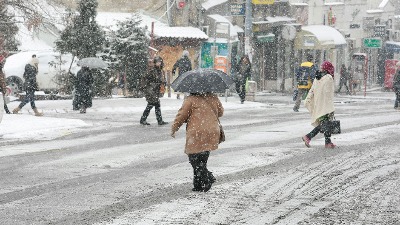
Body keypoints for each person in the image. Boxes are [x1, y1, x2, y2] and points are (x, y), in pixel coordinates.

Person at [171, 92, 223, 192]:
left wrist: (174, 128)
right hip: (211, 131)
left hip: (196, 132)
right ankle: (198, 185)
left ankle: (207, 177)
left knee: (193, 158)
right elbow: (220, 112)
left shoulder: (190, 99)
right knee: (203, 159)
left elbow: (182, 116)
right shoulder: (213, 97)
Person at [302, 61, 336, 149]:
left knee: (325, 124)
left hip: (319, 105)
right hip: (326, 105)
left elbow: (312, 90)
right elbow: (329, 93)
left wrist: (308, 100)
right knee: (324, 124)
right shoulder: (328, 78)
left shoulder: (317, 78)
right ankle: (308, 136)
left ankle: (328, 142)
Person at [139, 56, 168, 125]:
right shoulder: (152, 70)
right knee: (155, 104)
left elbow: (161, 80)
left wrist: (163, 83)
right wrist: (146, 87)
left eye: (160, 62)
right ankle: (159, 121)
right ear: (155, 63)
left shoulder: (160, 71)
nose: (159, 63)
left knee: (151, 105)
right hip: (151, 90)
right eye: (157, 62)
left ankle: (143, 119)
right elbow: (145, 79)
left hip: (155, 91)